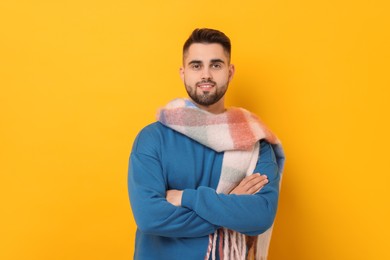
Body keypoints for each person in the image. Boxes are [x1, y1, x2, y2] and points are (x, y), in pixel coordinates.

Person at [128, 28, 285, 260]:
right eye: (196, 65)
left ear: (230, 72)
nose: (206, 75)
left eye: (216, 65)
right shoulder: (152, 138)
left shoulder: (254, 142)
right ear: (183, 73)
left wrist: (185, 198)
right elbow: (150, 217)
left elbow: (260, 216)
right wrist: (230, 207)